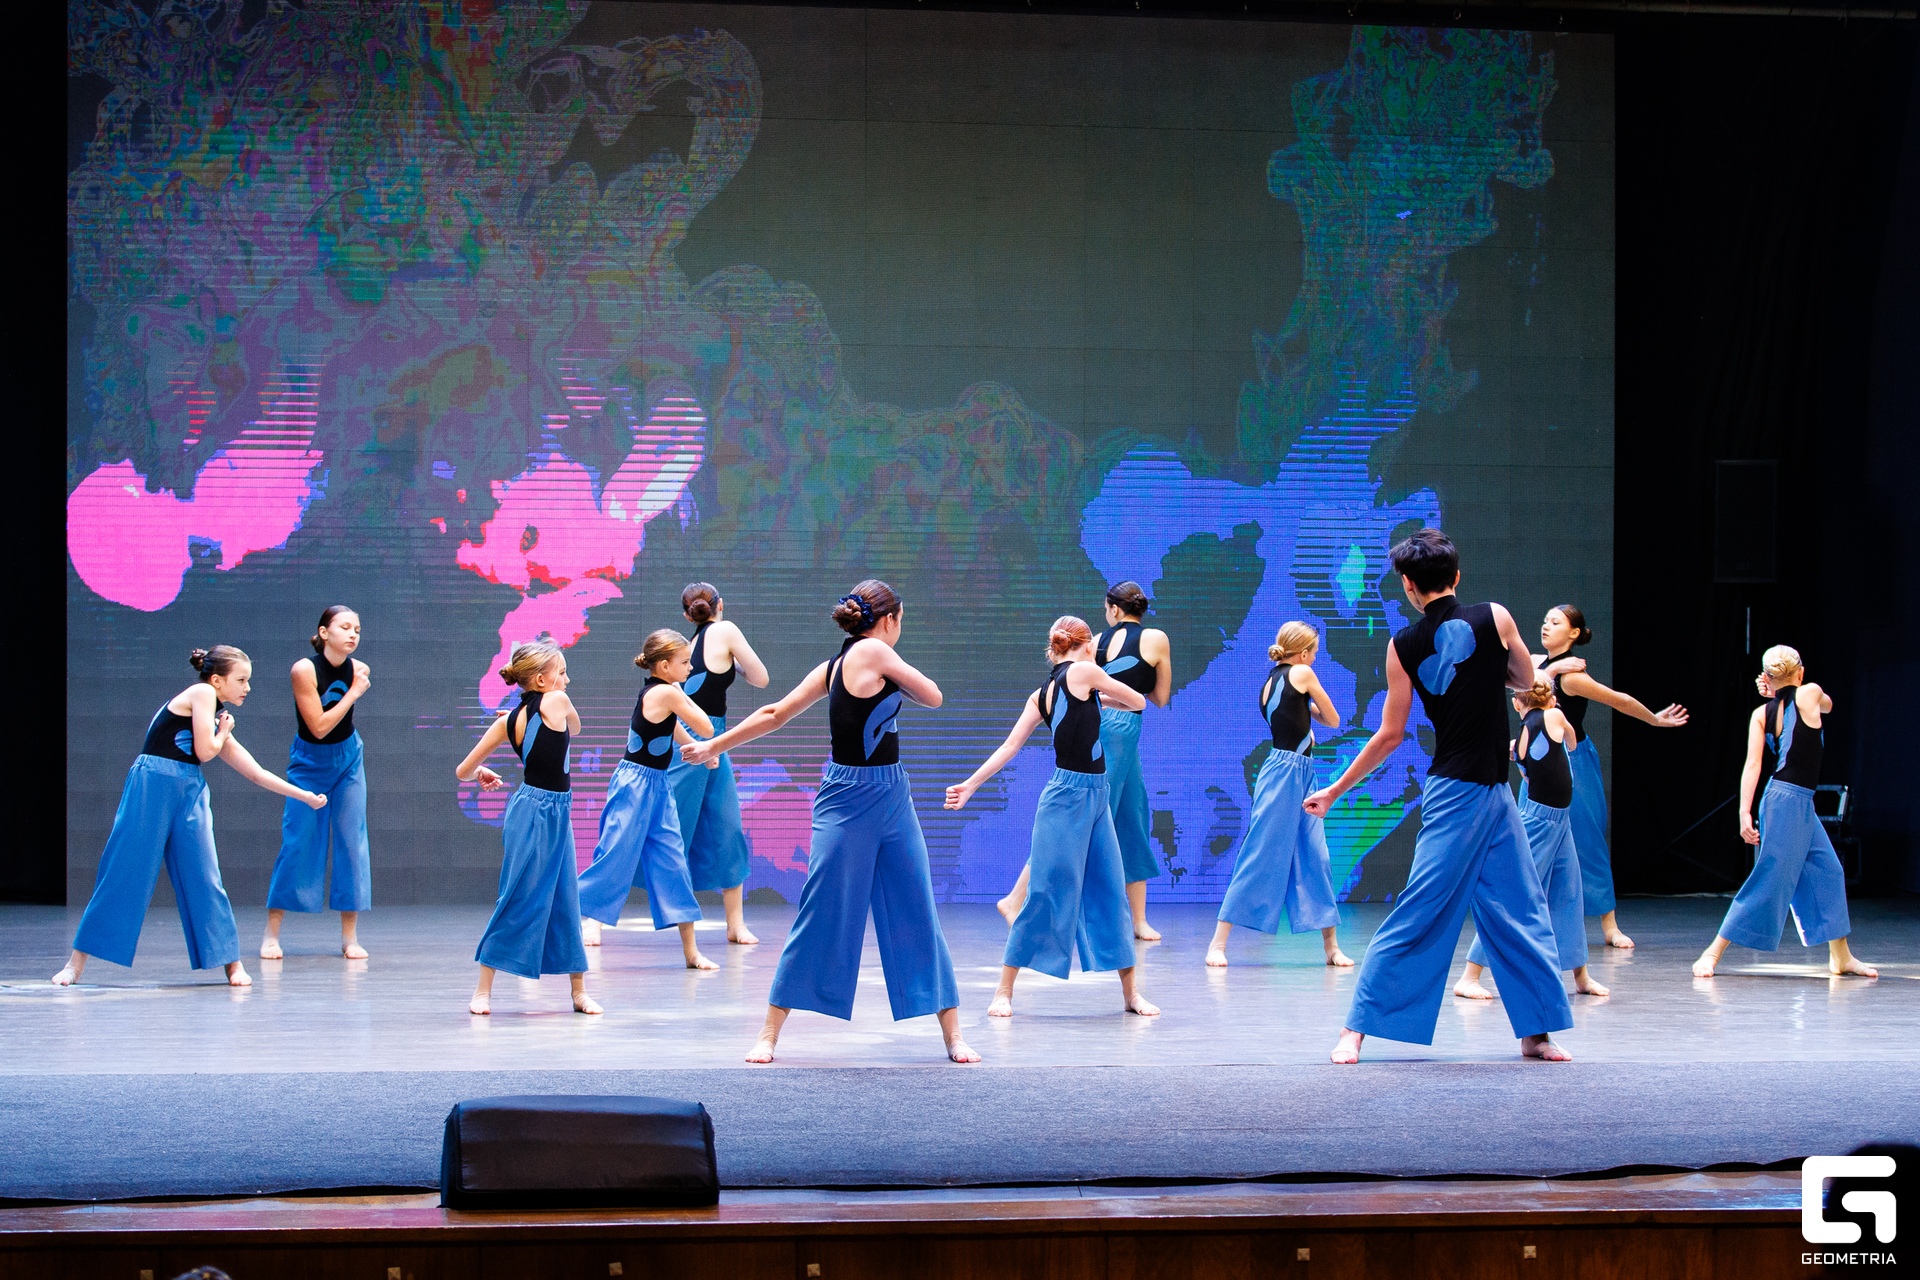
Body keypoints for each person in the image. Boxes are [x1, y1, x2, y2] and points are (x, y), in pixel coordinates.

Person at [1306, 529, 1574, 1065]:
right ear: (1456, 576)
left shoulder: (1402, 644)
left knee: (1520, 908)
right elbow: (1526, 680)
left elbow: (1389, 735)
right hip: (1461, 795)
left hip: (1488, 794)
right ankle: (1354, 1029)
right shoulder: (1495, 617)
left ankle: (1535, 1033)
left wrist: (1335, 789)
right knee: (1424, 908)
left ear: (1408, 585)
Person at [683, 580, 978, 1064]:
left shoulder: (839, 663)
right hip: (847, 799)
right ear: (889, 620)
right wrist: (714, 745)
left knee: (917, 907)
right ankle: (769, 1032)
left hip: (892, 795)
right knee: (822, 910)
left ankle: (953, 1035)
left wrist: (715, 744)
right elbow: (933, 696)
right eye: (900, 620)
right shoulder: (871, 654)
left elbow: (775, 713)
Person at [54, 647, 327, 988]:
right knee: (123, 871)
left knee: (205, 876)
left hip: (189, 790)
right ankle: (75, 964)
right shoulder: (202, 694)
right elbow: (206, 751)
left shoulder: (216, 717)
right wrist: (222, 732)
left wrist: (304, 796)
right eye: (241, 680)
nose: (247, 688)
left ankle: (232, 964)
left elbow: (255, 772)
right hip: (153, 784)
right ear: (217, 680)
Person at [946, 617, 1158, 1018]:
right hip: (1066, 800)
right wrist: (1101, 695)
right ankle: (1003, 991)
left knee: (1111, 892)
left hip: (1096, 796)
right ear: (1087, 645)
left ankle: (1131, 995)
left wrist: (971, 785)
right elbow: (1139, 701)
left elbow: (1009, 746)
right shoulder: (1085, 672)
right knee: (1043, 894)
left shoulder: (1042, 693)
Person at [998, 581, 1173, 940]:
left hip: (1112, 726)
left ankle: (1138, 919)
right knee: (1080, 819)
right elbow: (1160, 697)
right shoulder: (1156, 638)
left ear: (1113, 609)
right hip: (1119, 726)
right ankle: (1015, 898)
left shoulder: (1096, 640)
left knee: (1132, 818)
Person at [1693, 645, 1875, 980]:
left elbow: (1752, 765)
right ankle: (1712, 953)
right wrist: (1743, 813)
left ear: (1769, 677)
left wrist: (1745, 811)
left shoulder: (1763, 712)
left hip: (1797, 802)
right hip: (1785, 803)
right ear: (1800, 672)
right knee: (1771, 878)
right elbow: (1828, 705)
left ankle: (1841, 957)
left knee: (1829, 871)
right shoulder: (1809, 692)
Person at [1532, 605, 1688, 949]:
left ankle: (1610, 925)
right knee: (1534, 841)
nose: (1546, 626)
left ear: (1574, 633)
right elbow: (1522, 679)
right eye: (1545, 621)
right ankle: (1538, 922)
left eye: (1555, 622)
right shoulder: (1539, 664)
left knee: (1587, 841)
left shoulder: (1573, 678)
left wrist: (1655, 719)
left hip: (1572, 763)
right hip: (1538, 763)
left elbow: (1620, 700)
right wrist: (1553, 667)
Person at [456, 641, 599, 1015]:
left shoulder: (508, 720)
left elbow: (464, 771)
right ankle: (482, 991)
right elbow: (576, 728)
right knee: (517, 895)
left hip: (554, 812)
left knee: (566, 897)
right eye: (562, 673)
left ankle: (579, 992)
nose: (567, 680)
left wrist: (482, 770)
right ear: (540, 680)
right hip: (534, 814)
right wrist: (538, 712)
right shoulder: (557, 701)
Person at [1207, 622, 1351, 968]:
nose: (1315, 659)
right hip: (1285, 773)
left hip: (1300, 773)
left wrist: (1305, 710)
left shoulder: (1270, 681)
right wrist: (1311, 708)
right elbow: (1333, 719)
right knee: (1259, 852)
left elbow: (1294, 717)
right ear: (1303, 653)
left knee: (1316, 856)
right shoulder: (1302, 673)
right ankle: (1217, 944)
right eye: (1314, 652)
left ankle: (1331, 948)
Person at [1453, 681, 1609, 1000]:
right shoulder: (1553, 717)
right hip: (1540, 823)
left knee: (1568, 894)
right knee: (1513, 896)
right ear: (1551, 699)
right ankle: (1469, 975)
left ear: (1516, 704)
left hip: (1559, 821)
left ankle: (1580, 976)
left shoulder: (1521, 737)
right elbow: (1572, 741)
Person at [577, 629, 718, 970]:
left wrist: (698, 752)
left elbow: (675, 730)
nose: (690, 668)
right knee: (615, 853)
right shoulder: (667, 692)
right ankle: (583, 920)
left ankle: (691, 952)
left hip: (657, 787)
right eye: (685, 662)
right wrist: (683, 695)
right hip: (634, 785)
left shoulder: (664, 693)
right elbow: (707, 728)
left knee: (673, 863)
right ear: (665, 666)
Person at [260, 606, 373, 961]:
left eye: (357, 629)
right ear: (324, 632)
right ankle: (271, 933)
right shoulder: (304, 670)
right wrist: (353, 693)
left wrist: (355, 686)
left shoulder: (359, 669)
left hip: (348, 758)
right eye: (345, 627)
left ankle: (350, 937)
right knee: (298, 841)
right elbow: (319, 727)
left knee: (351, 842)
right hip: (310, 762)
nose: (352, 634)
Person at [664, 583, 770, 945]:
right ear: (720, 605)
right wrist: (735, 664)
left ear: (687, 615)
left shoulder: (692, 643)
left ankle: (735, 924)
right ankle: (594, 917)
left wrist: (729, 664)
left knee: (726, 827)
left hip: (710, 741)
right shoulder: (725, 630)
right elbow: (761, 678)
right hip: (693, 742)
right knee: (660, 827)